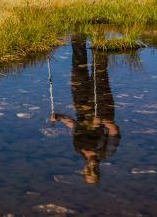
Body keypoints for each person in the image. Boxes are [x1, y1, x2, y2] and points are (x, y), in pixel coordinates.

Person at [49, 36, 121, 184]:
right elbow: (114, 130)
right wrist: (101, 121)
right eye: (95, 172)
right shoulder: (106, 152)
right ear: (99, 170)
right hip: (102, 108)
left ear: (84, 170)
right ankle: (98, 37)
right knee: (99, 73)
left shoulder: (79, 149)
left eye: (89, 172)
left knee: (78, 69)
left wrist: (59, 117)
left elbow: (75, 126)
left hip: (81, 106)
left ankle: (78, 36)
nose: (92, 169)